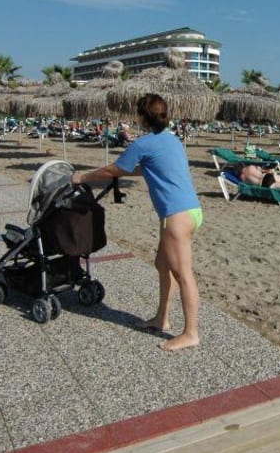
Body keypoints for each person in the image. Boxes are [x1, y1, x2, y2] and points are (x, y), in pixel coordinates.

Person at [71, 94, 202, 352]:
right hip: (190, 211)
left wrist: (82, 177)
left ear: (143, 117)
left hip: (177, 215)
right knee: (162, 265)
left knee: (183, 273)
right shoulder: (171, 140)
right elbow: (147, 168)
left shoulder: (144, 143)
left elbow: (112, 170)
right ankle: (161, 319)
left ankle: (191, 333)